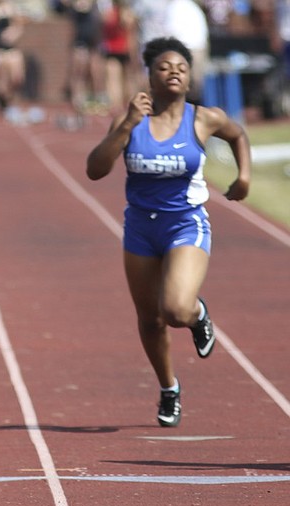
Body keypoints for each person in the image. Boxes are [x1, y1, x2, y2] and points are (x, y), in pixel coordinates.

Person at [86, 37, 250, 428]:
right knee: (149, 319)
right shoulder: (133, 119)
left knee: (175, 309)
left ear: (190, 76)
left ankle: (197, 315)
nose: (174, 72)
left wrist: (243, 176)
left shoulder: (203, 118)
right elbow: (95, 169)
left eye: (181, 67)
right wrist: (125, 124)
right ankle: (168, 387)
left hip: (185, 223)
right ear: (150, 76)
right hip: (141, 228)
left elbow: (237, 134)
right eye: (164, 67)